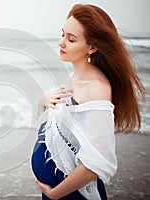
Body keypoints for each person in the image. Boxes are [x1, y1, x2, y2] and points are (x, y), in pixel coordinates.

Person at [31, 4, 146, 200]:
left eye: (71, 39)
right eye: (62, 34)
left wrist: (53, 194)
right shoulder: (73, 79)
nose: (61, 43)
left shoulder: (97, 88)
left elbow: (97, 163)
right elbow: (49, 126)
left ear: (92, 47)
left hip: (73, 196)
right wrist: (41, 100)